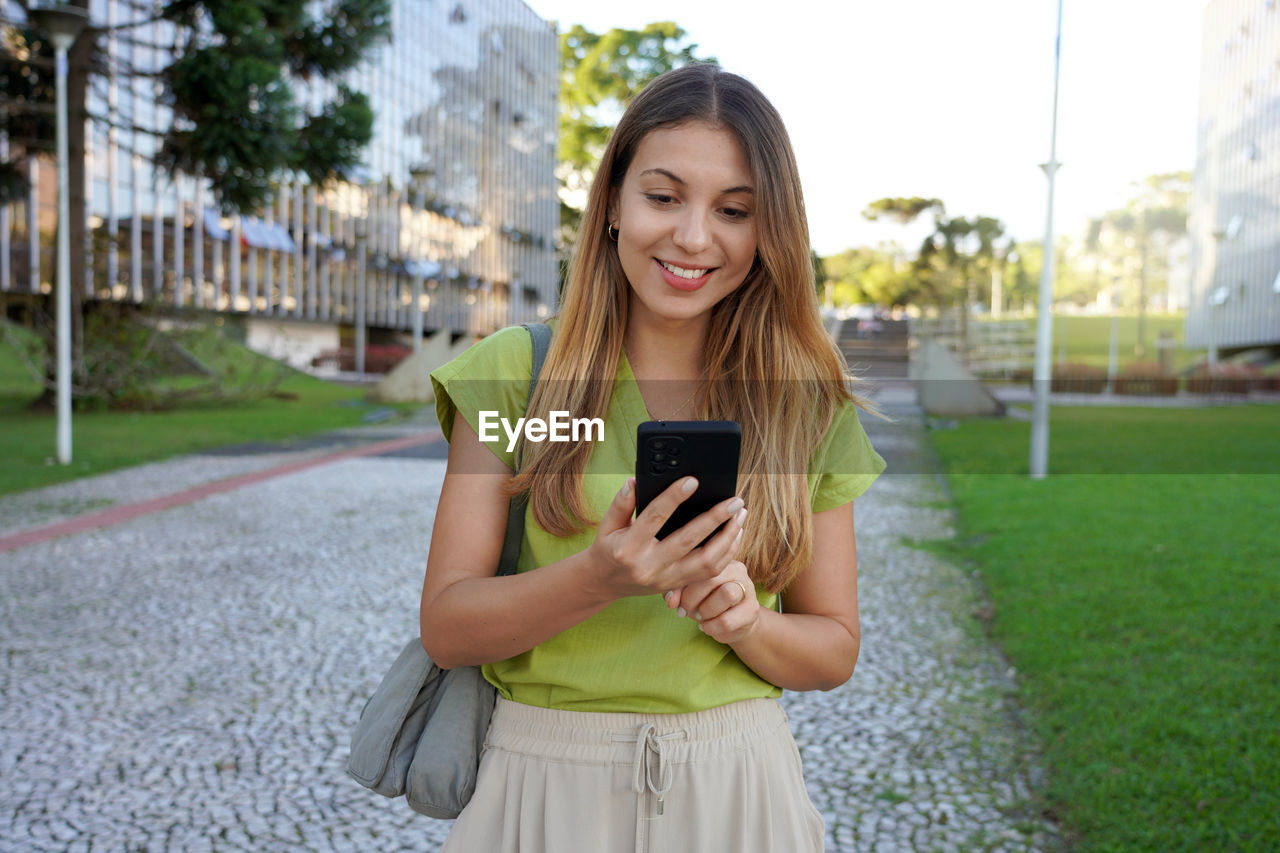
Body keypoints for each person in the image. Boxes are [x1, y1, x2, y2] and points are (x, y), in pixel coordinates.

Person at [421, 63, 885, 852]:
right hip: (541, 792)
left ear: (768, 231)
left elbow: (833, 645)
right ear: (611, 205)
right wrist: (599, 577)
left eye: (734, 210)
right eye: (663, 196)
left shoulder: (802, 403)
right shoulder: (515, 378)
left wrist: (746, 624)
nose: (695, 236)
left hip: (740, 792)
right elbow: (448, 625)